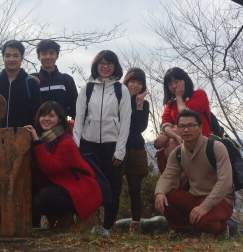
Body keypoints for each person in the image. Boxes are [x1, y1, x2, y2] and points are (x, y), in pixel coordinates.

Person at [73, 50, 131, 237]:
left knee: (113, 188)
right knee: (89, 186)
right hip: (88, 145)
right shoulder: (87, 89)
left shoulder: (121, 90)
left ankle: (107, 227)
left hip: (111, 145)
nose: (105, 67)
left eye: (109, 63)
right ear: (96, 66)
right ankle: (89, 224)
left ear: (115, 67)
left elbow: (126, 122)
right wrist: (75, 148)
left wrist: (120, 151)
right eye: (102, 63)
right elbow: (79, 119)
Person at [155, 110, 234, 237]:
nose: (186, 130)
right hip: (195, 198)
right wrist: (159, 193)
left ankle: (223, 228)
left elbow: (225, 181)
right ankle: (183, 230)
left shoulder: (216, 147)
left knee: (202, 222)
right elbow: (167, 177)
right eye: (182, 126)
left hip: (221, 200)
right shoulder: (178, 153)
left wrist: (204, 207)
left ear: (200, 128)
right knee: (166, 196)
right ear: (177, 129)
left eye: (191, 125)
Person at [24, 102, 102, 232]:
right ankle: (64, 216)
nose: (46, 119)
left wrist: (37, 142)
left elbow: (49, 166)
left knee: (46, 196)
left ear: (60, 119)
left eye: (51, 115)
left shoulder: (66, 142)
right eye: (43, 115)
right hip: (65, 186)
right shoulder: (46, 139)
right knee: (35, 199)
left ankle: (87, 217)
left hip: (82, 189)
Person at [121, 68, 150, 235]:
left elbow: (139, 128)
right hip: (117, 148)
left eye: (139, 83)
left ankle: (136, 224)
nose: (135, 85)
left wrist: (139, 107)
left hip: (136, 148)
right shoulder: (117, 99)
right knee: (114, 188)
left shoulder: (144, 103)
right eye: (132, 81)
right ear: (126, 82)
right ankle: (108, 225)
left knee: (135, 189)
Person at [0, 40, 42, 128]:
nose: (11, 59)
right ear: (3, 57)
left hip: (23, 134)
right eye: (7, 55)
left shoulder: (31, 83)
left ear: (22, 58)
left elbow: (37, 113)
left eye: (15, 55)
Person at [161, 67, 212, 142]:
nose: (174, 86)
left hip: (203, 140)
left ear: (184, 81)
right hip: (181, 141)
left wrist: (179, 96)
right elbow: (165, 125)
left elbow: (185, 114)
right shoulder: (171, 104)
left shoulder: (199, 94)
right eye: (170, 84)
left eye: (176, 81)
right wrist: (176, 137)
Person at [31, 39, 78, 119]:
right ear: (38, 57)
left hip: (62, 125)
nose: (48, 57)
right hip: (38, 125)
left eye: (52, 53)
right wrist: (26, 76)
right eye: (44, 54)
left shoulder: (67, 79)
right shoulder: (33, 79)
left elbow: (75, 107)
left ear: (57, 56)